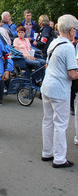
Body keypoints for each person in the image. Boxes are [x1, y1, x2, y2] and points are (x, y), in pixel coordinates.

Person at [41, 14, 78, 168]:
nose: (75, 32)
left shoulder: (54, 42)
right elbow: (72, 74)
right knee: (61, 124)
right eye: (75, 29)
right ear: (70, 30)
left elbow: (48, 65)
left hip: (47, 86)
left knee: (48, 120)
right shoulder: (69, 47)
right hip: (60, 89)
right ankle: (59, 158)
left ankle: (47, 152)